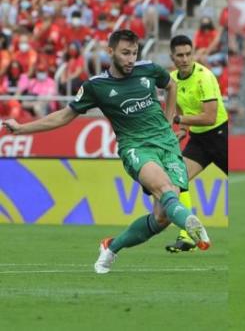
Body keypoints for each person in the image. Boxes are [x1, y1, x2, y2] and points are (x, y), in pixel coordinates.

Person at [2, 29, 212, 274]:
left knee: (163, 217)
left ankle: (111, 246)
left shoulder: (149, 70)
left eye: (134, 53)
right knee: (165, 188)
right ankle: (191, 224)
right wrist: (22, 129)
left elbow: (171, 85)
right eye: (125, 53)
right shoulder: (96, 86)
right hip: (136, 147)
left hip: (167, 145)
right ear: (110, 52)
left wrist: (167, 123)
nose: (131, 59)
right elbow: (63, 116)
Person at [164, 35, 228, 253]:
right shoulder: (172, 79)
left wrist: (179, 121)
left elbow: (209, 117)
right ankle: (188, 235)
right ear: (172, 57)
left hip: (220, 136)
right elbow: (180, 108)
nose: (184, 59)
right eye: (180, 55)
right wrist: (183, 130)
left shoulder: (204, 77)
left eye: (188, 54)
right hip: (199, 140)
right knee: (177, 179)